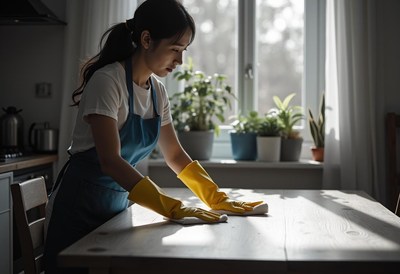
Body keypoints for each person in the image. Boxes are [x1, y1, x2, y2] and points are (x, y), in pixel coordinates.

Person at [44, 0, 263, 273]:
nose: (180, 61)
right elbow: (110, 161)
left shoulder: (157, 92)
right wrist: (169, 206)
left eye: (184, 51)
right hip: (77, 209)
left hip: (115, 209)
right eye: (175, 49)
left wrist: (215, 197)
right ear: (146, 39)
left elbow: (174, 155)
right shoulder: (107, 81)